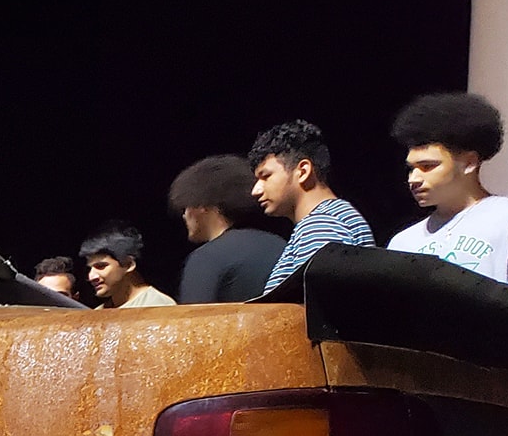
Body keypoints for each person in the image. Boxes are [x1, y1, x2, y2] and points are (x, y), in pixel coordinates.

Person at [385, 92, 508, 287]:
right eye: (411, 168)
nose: (413, 179)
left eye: (428, 166)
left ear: (469, 163)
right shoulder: (403, 242)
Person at [248, 119, 374, 293]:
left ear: (303, 171)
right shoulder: (332, 218)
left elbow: (318, 304)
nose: (256, 190)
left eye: (266, 176)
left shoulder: (321, 225)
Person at [168, 154, 284, 302]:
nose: (184, 215)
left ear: (201, 205)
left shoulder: (206, 258)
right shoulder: (279, 244)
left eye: (185, 207)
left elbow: (194, 315)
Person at [78, 224, 174, 308]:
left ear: (128, 265)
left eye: (101, 266)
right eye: (90, 269)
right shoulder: (98, 314)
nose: (91, 276)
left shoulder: (158, 305)